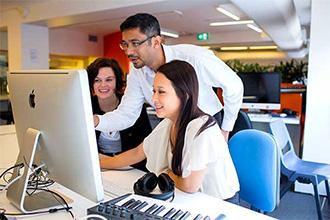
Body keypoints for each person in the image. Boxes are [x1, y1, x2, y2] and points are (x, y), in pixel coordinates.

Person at [99, 60, 240, 202]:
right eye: (154, 91)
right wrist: (101, 163)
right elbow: (138, 153)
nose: (154, 98)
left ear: (184, 94)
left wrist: (167, 173)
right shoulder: (168, 124)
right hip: (190, 199)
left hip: (220, 205)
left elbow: (189, 185)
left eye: (161, 92)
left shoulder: (202, 129)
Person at [94, 13, 243, 142]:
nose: (128, 51)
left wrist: (226, 129)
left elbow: (234, 86)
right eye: (125, 44)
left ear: (156, 42)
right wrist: (95, 121)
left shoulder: (193, 58)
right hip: (172, 127)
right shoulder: (137, 70)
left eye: (135, 43)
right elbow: (127, 114)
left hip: (206, 124)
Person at [86, 58, 152, 171]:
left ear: (117, 81)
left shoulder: (133, 106)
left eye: (109, 80)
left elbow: (146, 145)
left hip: (130, 167)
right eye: (97, 80)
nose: (103, 85)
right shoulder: (85, 107)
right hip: (96, 166)